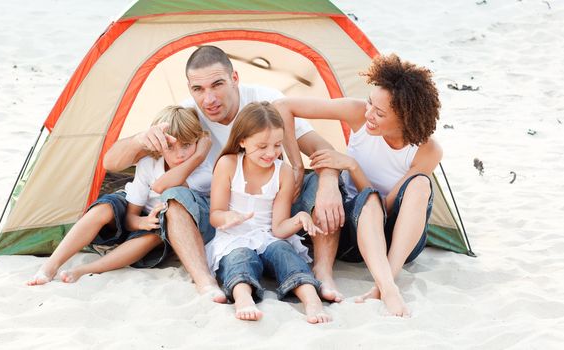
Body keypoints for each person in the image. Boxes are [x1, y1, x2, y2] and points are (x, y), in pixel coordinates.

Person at [103, 46, 345, 302]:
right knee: (175, 197)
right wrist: (139, 141)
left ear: (234, 79)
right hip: (218, 213)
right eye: (198, 89)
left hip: (276, 206)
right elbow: (111, 161)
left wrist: (329, 184)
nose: (209, 99)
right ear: (190, 89)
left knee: (323, 181)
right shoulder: (188, 116)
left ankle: (323, 271)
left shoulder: (266, 103)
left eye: (217, 84)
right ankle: (204, 280)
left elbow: (322, 149)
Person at [273, 54, 443, 317]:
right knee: (368, 200)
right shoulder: (357, 115)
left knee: (420, 185)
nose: (369, 114)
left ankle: (386, 284)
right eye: (370, 103)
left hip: (398, 241)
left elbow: (387, 207)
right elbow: (283, 106)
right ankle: (387, 287)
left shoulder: (427, 150)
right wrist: (296, 164)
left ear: (406, 118)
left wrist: (352, 166)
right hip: (355, 235)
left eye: (380, 113)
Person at [27, 106, 211, 285]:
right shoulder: (149, 163)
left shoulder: (204, 172)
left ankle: (86, 269)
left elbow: (162, 185)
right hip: (138, 216)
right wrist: (140, 222)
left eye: (187, 145)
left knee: (154, 235)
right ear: (159, 147)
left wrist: (199, 157)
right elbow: (130, 216)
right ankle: (50, 266)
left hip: (163, 224)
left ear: (197, 141)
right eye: (170, 147)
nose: (180, 155)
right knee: (104, 208)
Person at [208, 102, 331, 323]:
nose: (271, 153)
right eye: (262, 146)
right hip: (234, 237)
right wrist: (227, 217)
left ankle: (312, 301)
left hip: (268, 236)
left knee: (286, 255)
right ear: (242, 141)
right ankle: (244, 298)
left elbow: (279, 228)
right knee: (239, 258)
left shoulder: (283, 172)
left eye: (277, 145)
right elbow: (215, 215)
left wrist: (299, 218)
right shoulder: (227, 164)